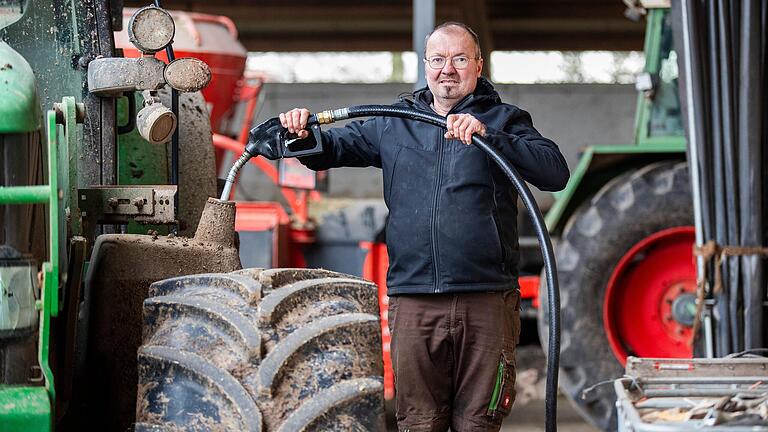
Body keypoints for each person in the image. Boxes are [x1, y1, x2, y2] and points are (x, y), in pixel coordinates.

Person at [277, 22, 569, 432]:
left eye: (460, 58)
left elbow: (555, 172)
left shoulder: (504, 119)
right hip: (414, 300)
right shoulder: (394, 122)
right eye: (438, 59)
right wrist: (301, 132)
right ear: (426, 66)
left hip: (485, 299)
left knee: (478, 424)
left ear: (478, 66)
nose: (448, 69)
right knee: (418, 422)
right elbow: (330, 149)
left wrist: (489, 134)